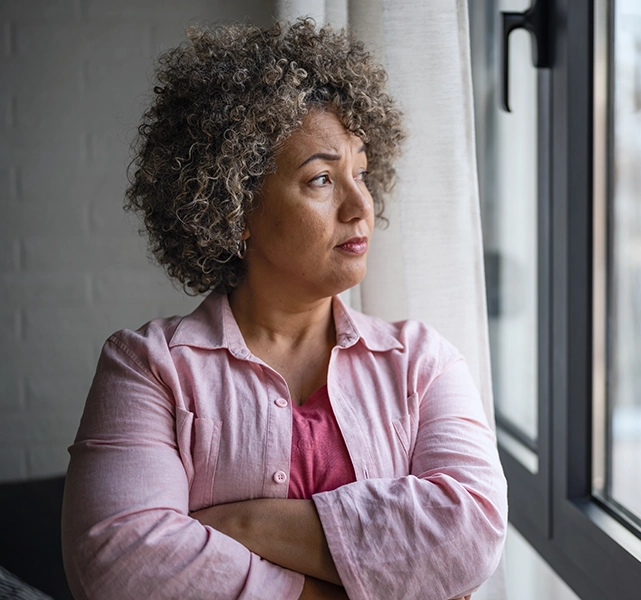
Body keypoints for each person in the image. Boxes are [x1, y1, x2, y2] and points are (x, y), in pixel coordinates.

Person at [60, 19, 507, 600]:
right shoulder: (147, 368)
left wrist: (237, 525)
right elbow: (118, 562)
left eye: (362, 173)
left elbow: (472, 530)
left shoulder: (422, 363)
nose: (359, 206)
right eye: (321, 178)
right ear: (234, 205)